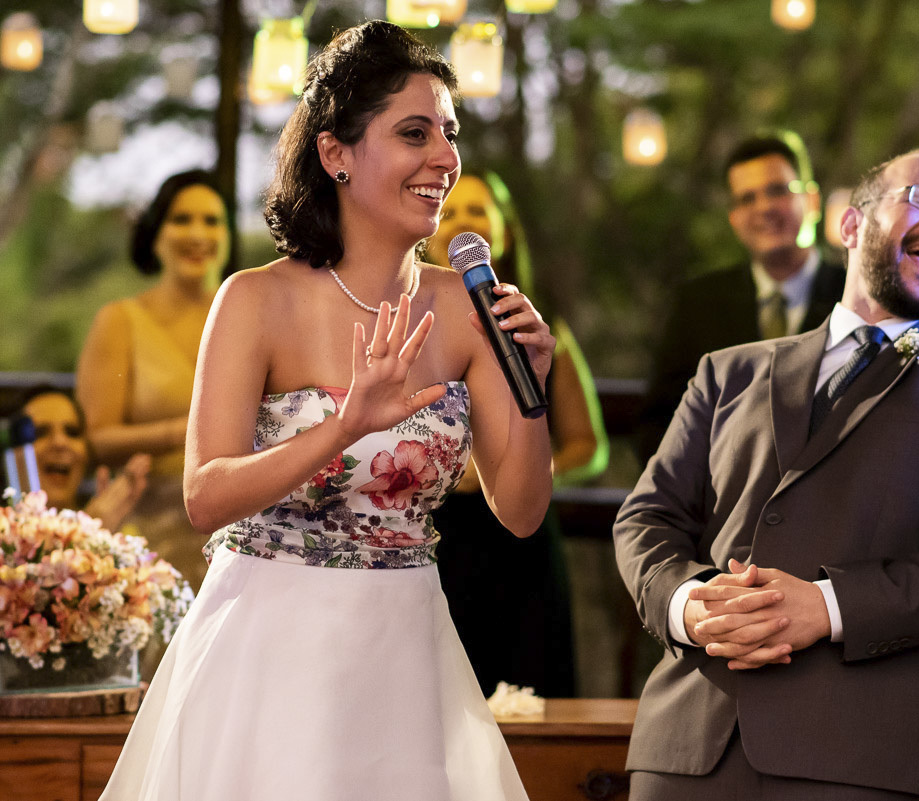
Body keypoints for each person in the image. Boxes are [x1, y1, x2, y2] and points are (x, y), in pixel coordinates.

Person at [100, 21, 553, 801]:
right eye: (415, 133)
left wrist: (531, 387)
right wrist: (345, 427)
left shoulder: (469, 307)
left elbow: (520, 511)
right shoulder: (254, 299)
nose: (443, 159)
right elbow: (205, 494)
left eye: (449, 133)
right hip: (266, 644)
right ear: (335, 153)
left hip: (405, 644)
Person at [615, 147, 919, 800]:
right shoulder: (728, 370)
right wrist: (690, 605)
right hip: (689, 750)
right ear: (850, 226)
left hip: (872, 759)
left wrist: (825, 606)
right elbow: (646, 519)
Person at [425, 171, 609, 698]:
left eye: (478, 213)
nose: (463, 221)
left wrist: (520, 467)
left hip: (517, 540)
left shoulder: (539, 329)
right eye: (452, 212)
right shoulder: (409, 323)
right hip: (436, 535)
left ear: (503, 232)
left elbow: (587, 445)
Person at [637, 130, 846, 464]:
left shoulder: (857, 298)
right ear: (734, 218)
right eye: (747, 198)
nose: (763, 208)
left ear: (812, 201)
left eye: (777, 190)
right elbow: (660, 424)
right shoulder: (697, 304)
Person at [75, 169, 232, 593]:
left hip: (237, 532)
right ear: (155, 233)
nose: (198, 233)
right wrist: (181, 433)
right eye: (181, 219)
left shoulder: (247, 318)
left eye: (212, 220)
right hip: (148, 528)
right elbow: (96, 438)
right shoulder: (119, 322)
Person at [8, 386, 150, 530]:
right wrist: (88, 533)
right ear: (12, 453)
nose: (60, 442)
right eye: (40, 433)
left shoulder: (120, 534)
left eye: (72, 432)